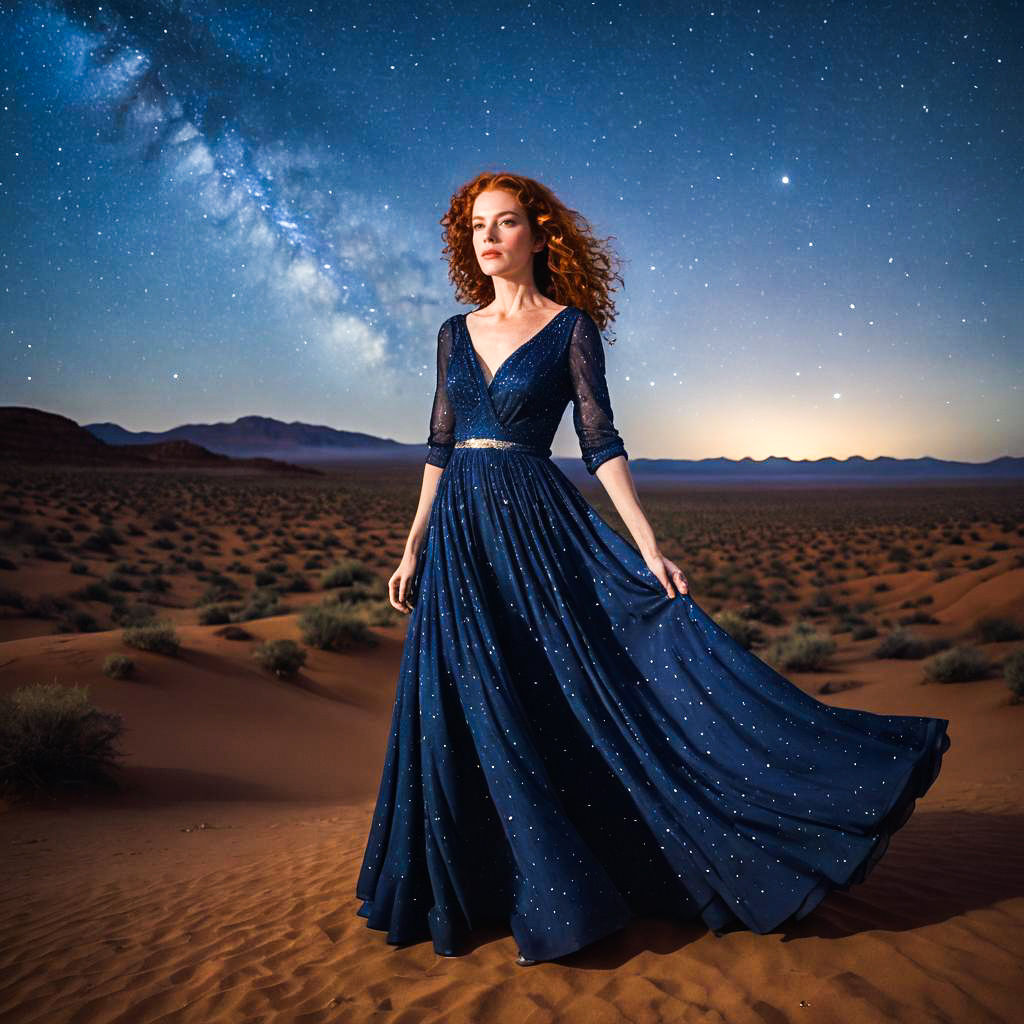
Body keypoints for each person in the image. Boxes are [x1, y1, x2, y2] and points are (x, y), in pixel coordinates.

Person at [355, 171, 951, 967]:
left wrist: (645, 543)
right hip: (460, 534)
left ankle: (587, 879)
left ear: (538, 235)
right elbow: (438, 444)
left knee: (556, 691)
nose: (487, 238)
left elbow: (600, 443)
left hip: (535, 526)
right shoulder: (452, 333)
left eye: (503, 223)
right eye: (474, 227)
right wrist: (412, 545)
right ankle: (479, 884)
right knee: (467, 698)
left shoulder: (571, 328)